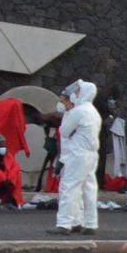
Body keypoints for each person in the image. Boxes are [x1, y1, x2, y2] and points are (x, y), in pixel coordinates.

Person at [54, 80, 102, 235]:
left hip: (77, 154)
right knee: (88, 189)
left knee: (69, 187)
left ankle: (64, 223)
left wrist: (67, 113)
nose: (73, 95)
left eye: (76, 92)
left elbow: (64, 131)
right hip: (91, 154)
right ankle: (89, 223)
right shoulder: (93, 111)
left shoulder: (78, 111)